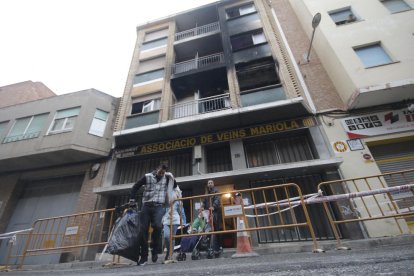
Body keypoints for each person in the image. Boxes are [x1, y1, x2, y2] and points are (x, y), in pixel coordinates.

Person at [129, 163, 176, 266]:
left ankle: (154, 250)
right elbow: (135, 187)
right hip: (146, 205)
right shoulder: (147, 176)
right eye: (160, 172)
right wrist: (132, 199)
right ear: (156, 169)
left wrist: (171, 177)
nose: (161, 174)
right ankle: (144, 257)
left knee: (158, 226)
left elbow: (175, 186)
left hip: (159, 206)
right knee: (143, 230)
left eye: (163, 173)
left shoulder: (167, 178)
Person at [162, 185, 186, 263]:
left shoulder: (178, 201)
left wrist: (184, 222)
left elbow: (181, 211)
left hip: (175, 220)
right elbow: (162, 210)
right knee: (166, 236)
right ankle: (169, 252)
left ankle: (170, 255)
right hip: (166, 220)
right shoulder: (165, 200)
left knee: (172, 238)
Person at [201, 179, 223, 257]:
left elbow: (217, 199)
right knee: (208, 230)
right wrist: (202, 207)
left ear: (213, 184)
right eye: (208, 183)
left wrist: (213, 206)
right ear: (207, 185)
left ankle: (219, 247)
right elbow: (204, 201)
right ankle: (210, 247)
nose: (210, 184)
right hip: (208, 214)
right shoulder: (206, 193)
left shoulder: (216, 191)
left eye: (211, 183)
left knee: (216, 229)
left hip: (215, 213)